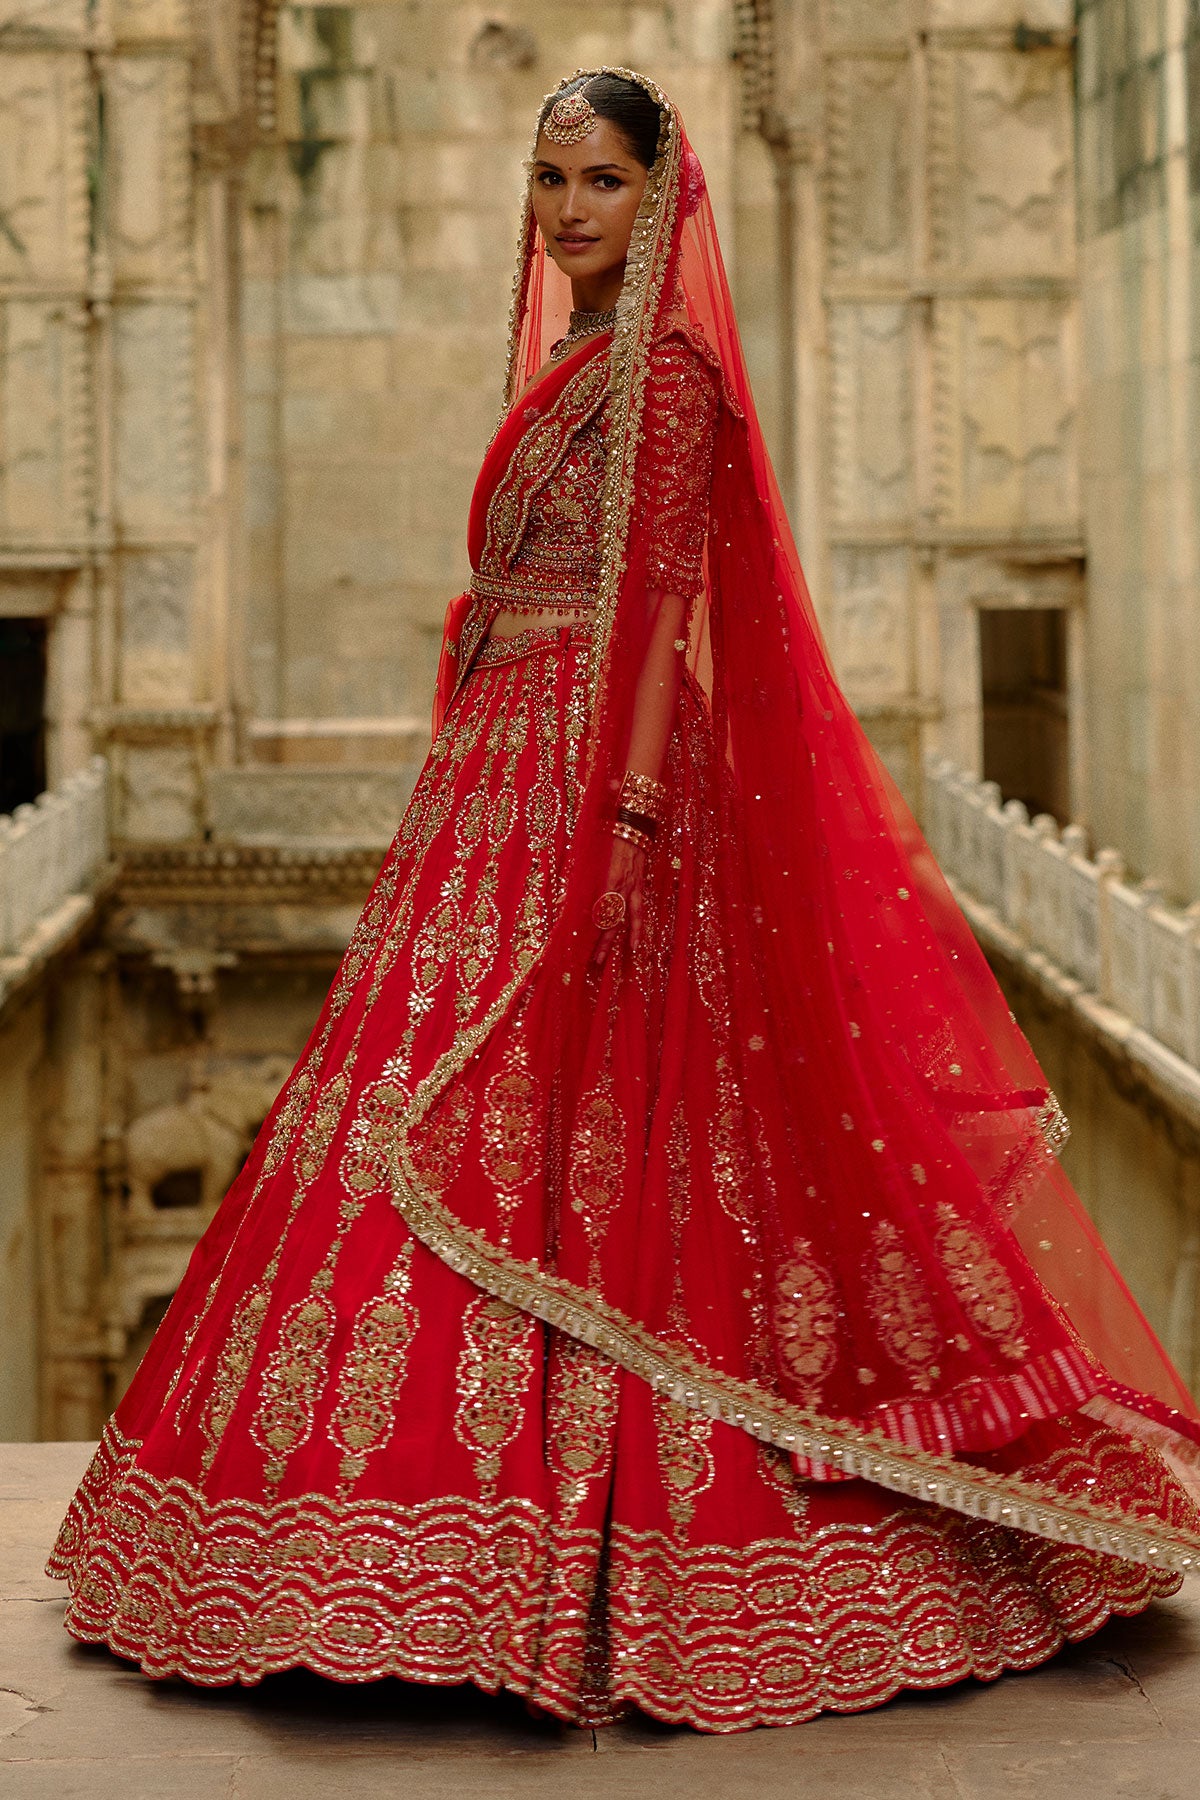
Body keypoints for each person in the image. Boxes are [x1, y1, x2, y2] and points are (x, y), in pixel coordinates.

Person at [49, 67, 1200, 1734]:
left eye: (601, 179)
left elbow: (658, 600)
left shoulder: (661, 374)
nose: (572, 209)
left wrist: (638, 815)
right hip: (502, 768)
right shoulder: (581, 364)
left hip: (600, 780)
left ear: (659, 194)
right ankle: (386, 1542)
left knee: (616, 1142)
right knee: (429, 1115)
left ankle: (603, 1549)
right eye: (550, 179)